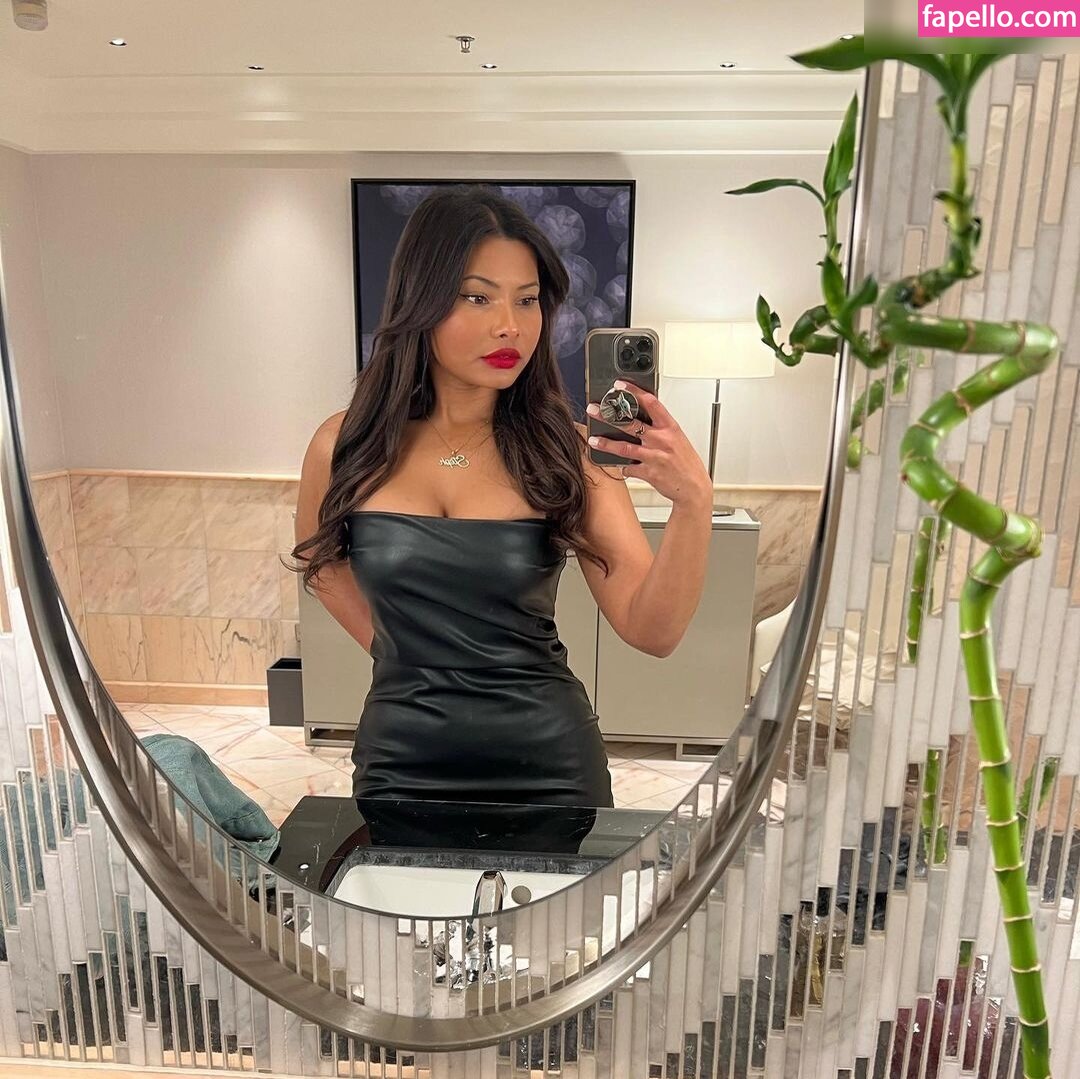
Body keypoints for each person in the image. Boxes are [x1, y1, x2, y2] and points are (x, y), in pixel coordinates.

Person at [290, 185, 712, 811]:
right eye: (477, 297)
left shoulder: (566, 451)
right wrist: (398, 653)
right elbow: (320, 563)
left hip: (551, 766)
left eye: (527, 300)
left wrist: (693, 503)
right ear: (421, 300)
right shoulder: (344, 444)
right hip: (401, 760)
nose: (510, 325)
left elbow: (653, 631)